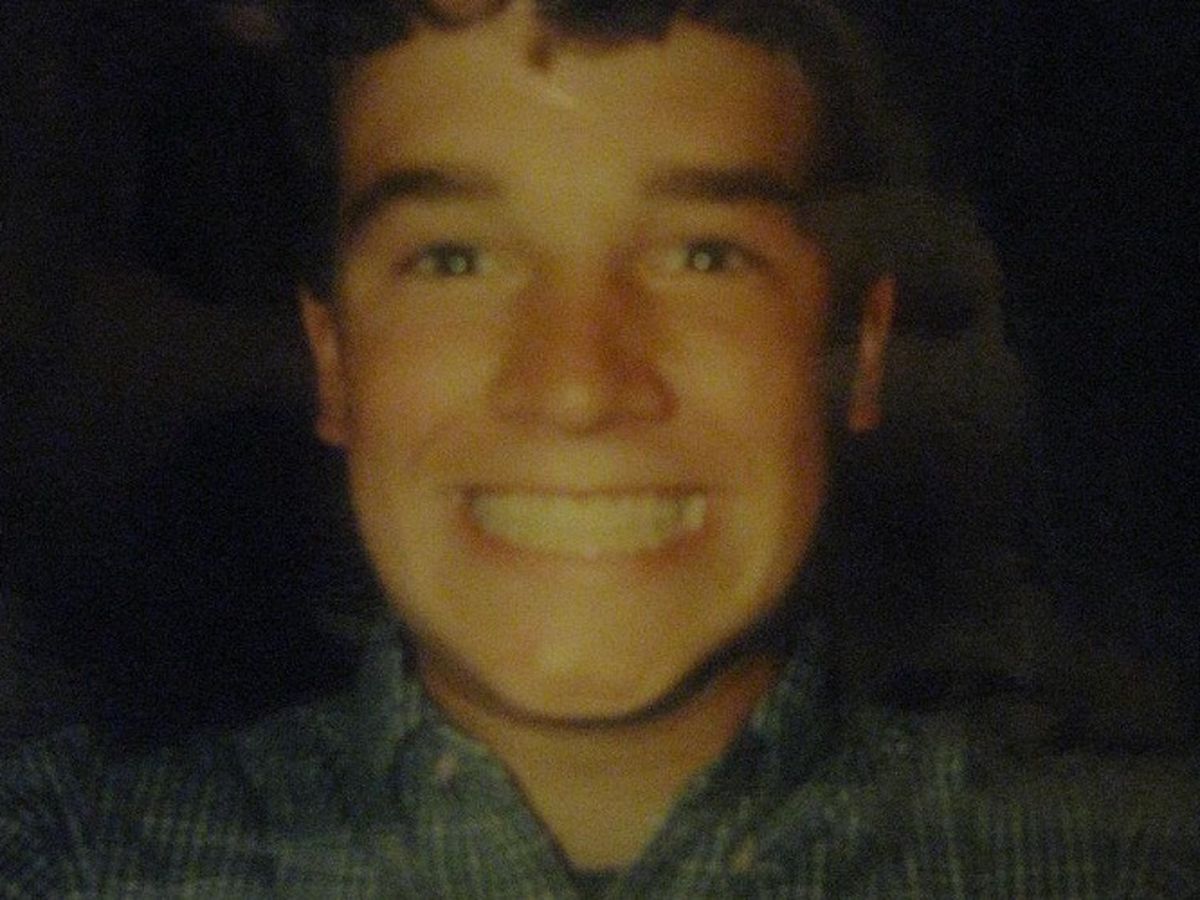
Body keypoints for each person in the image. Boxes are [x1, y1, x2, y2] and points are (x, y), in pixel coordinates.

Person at [2, 0, 1196, 895]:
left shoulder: (1119, 863)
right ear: (335, 364)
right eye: (455, 260)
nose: (575, 386)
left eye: (702, 256)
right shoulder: (77, 860)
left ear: (859, 353)